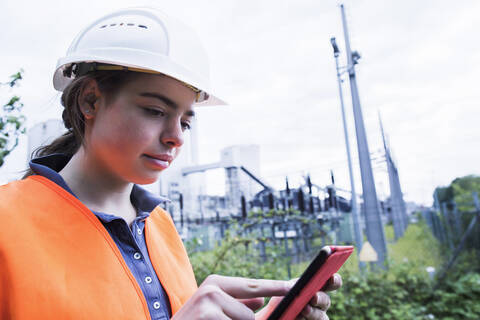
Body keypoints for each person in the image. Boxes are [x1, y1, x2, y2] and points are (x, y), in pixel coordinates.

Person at [0, 7, 342, 320]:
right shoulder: (7, 221)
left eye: (186, 122)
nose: (176, 137)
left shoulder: (160, 227)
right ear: (90, 100)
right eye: (155, 111)